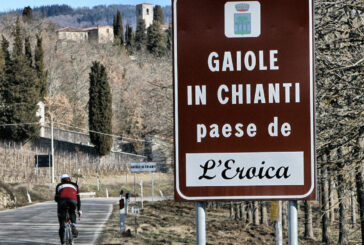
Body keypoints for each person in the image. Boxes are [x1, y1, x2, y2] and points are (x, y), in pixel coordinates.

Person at [55, 174, 82, 245]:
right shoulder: (75, 185)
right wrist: (79, 210)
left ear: (61, 180)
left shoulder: (59, 185)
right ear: (69, 179)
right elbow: (78, 199)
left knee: (61, 224)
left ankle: (62, 242)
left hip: (62, 202)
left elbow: (56, 199)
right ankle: (73, 225)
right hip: (73, 201)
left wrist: (59, 201)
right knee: (72, 212)